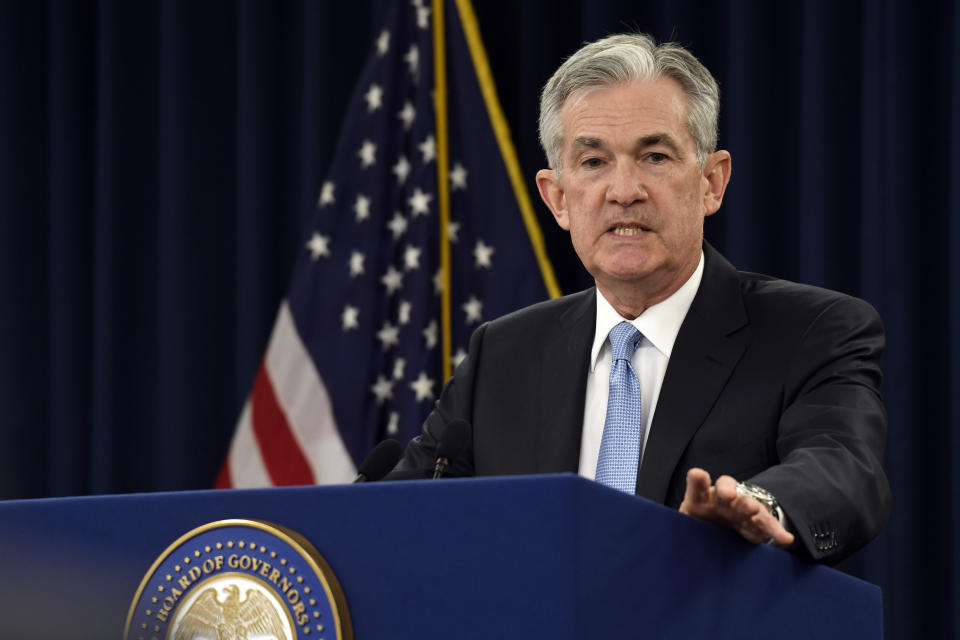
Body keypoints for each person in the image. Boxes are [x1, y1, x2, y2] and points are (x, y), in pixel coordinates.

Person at [391, 33, 890, 564]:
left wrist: (759, 503)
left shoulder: (811, 332)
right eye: (592, 162)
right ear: (557, 199)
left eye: (654, 156)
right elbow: (396, 511)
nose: (623, 190)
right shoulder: (503, 353)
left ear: (711, 183)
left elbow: (842, 467)